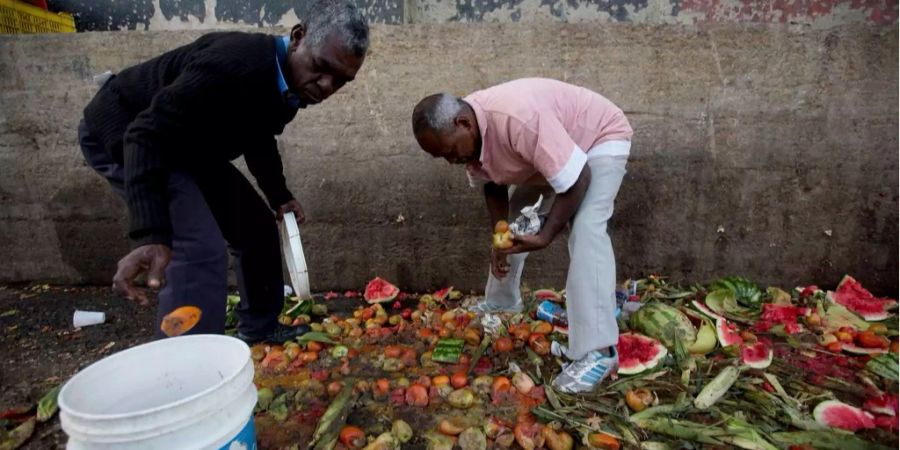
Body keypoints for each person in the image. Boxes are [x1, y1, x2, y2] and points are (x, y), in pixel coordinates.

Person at [78, 0, 368, 344]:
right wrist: (150, 232)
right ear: (298, 36)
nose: (325, 86)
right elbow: (144, 133)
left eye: (341, 81)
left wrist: (279, 196)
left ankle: (259, 329)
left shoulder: (288, 87)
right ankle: (188, 367)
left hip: (188, 146)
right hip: (128, 134)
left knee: (256, 226)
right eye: (322, 67)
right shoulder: (234, 63)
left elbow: (259, 136)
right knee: (199, 246)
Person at [411, 78, 632, 393]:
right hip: (550, 153)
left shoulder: (518, 119)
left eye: (449, 152)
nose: (450, 161)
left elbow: (578, 178)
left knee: (585, 227)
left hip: (597, 138)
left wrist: (545, 236)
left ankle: (599, 351)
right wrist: (498, 237)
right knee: (513, 225)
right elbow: (493, 183)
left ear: (463, 123)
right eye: (442, 157)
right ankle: (502, 303)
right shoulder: (469, 132)